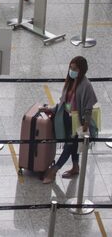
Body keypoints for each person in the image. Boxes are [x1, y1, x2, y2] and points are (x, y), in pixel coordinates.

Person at [42, 56, 97, 184]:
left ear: (81, 70)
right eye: (70, 68)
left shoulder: (86, 85)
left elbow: (89, 108)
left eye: (75, 69)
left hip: (78, 122)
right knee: (73, 146)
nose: (72, 71)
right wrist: (52, 109)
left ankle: (53, 171)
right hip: (67, 118)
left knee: (69, 145)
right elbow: (64, 102)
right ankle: (75, 167)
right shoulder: (70, 81)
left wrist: (85, 126)